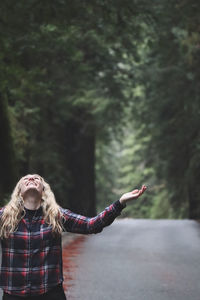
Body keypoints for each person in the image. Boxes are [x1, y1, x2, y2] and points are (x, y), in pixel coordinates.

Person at [0, 174, 147, 300]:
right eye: (26, 178)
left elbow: (91, 225)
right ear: (19, 192)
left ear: (43, 191)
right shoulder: (4, 217)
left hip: (50, 293)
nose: (31, 178)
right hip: (13, 293)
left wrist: (120, 202)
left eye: (37, 179)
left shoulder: (56, 215)